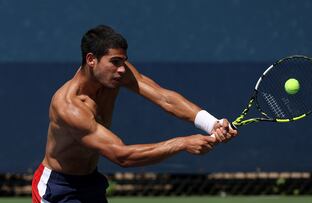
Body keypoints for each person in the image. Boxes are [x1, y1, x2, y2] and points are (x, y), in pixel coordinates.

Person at [32, 25, 237, 203]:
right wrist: (182, 143)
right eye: (115, 62)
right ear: (91, 59)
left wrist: (212, 123)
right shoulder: (70, 106)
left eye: (123, 61)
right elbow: (122, 156)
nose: (122, 69)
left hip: (90, 182)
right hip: (58, 188)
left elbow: (164, 98)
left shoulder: (116, 74)